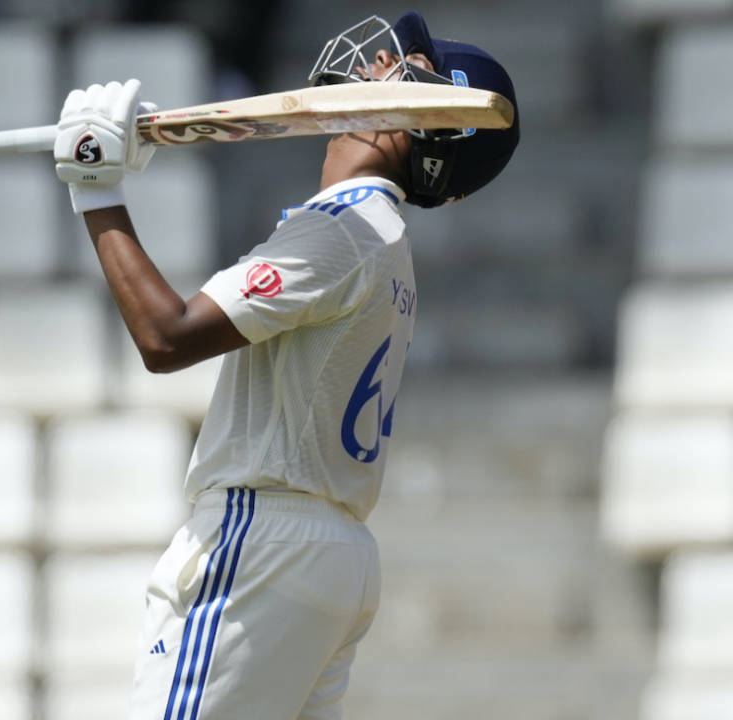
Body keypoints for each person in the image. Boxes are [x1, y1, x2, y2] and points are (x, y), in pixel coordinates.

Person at [52, 11, 519, 720]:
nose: (372, 66)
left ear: (426, 124)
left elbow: (165, 337)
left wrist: (96, 191)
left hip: (265, 540)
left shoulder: (347, 226)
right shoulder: (383, 239)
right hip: (331, 555)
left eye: (400, 67)